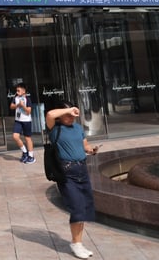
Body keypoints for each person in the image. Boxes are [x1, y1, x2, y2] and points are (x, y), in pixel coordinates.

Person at [45, 102, 99, 260]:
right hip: (67, 173)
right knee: (77, 207)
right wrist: (69, 109)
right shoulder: (55, 129)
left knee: (84, 207)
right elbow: (49, 115)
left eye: (72, 114)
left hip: (82, 170)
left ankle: (78, 242)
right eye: (67, 114)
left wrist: (91, 150)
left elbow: (85, 145)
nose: (70, 117)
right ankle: (76, 244)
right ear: (61, 115)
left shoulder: (77, 128)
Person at [10, 83, 36, 164]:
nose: (17, 92)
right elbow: (11, 106)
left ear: (24, 91)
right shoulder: (16, 98)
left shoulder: (27, 99)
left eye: (18, 90)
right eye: (16, 91)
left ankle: (31, 156)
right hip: (18, 120)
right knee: (15, 136)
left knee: (27, 138)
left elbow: (28, 111)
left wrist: (23, 106)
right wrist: (18, 105)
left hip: (26, 121)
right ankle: (25, 152)